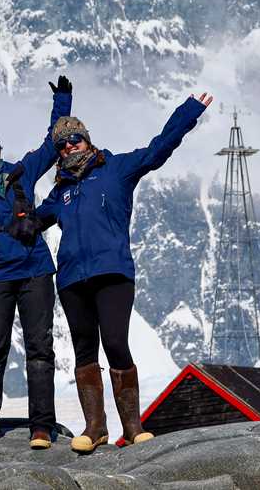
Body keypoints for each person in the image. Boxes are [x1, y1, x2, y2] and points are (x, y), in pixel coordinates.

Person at [36, 93, 212, 452]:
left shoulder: (117, 169)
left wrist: (189, 111)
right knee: (85, 350)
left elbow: (158, 150)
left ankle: (133, 428)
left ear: (87, 139)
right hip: (71, 279)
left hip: (113, 273)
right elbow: (31, 223)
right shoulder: (60, 192)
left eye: (75, 139)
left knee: (115, 343)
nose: (70, 146)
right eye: (63, 144)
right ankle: (95, 428)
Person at [0, 75, 72, 451]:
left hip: (35, 270)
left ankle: (41, 426)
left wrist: (63, 102)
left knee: (40, 348)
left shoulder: (21, 172)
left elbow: (50, 146)